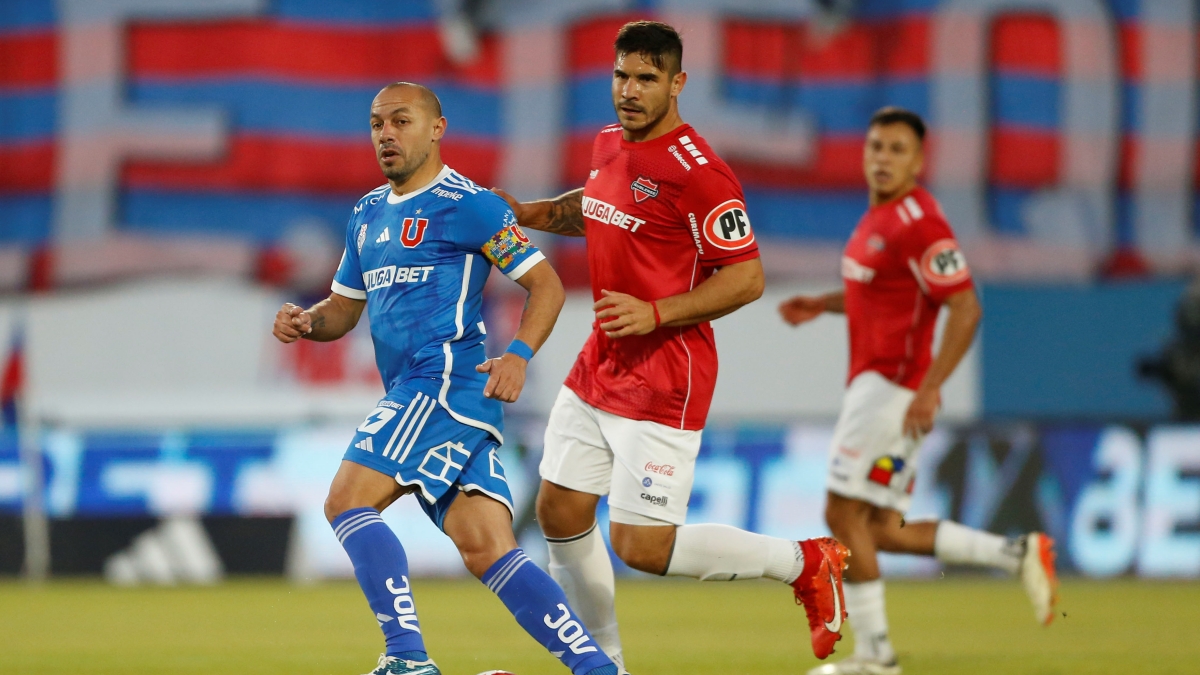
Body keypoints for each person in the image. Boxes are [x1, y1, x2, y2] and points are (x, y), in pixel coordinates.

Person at [493, 21, 849, 672]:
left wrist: (657, 311)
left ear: (678, 83)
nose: (629, 91)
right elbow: (597, 204)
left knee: (642, 546)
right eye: (622, 75)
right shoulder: (607, 143)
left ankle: (805, 560)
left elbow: (747, 277)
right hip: (600, 358)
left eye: (646, 79)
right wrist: (530, 213)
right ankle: (602, 666)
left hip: (664, 374)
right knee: (558, 507)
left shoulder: (701, 174)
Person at [272, 82, 621, 675]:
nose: (386, 133)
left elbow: (547, 285)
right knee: (487, 548)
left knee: (346, 502)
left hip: (441, 382)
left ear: (436, 128)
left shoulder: (470, 204)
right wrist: (308, 321)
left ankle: (408, 660)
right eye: (377, 122)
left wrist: (518, 355)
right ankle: (597, 668)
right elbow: (344, 309)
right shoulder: (366, 213)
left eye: (400, 121)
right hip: (431, 394)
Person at [778, 107, 1060, 675]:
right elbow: (878, 291)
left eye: (897, 149)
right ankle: (1017, 552)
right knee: (880, 526)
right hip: (883, 390)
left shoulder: (919, 223)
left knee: (841, 512)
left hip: (889, 392)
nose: (883, 158)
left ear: (919, 159)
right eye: (876, 146)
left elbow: (965, 304)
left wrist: (931, 389)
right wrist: (823, 304)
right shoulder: (875, 221)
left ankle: (876, 656)